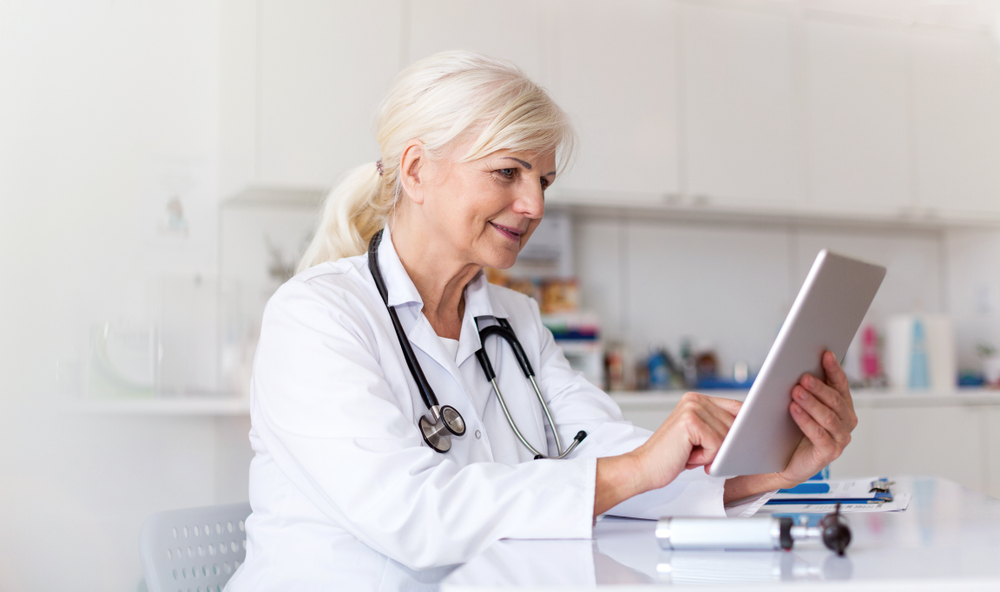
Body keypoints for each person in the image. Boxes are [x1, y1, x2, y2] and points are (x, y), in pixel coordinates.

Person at [226, 51, 857, 591]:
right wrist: (635, 468)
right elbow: (414, 515)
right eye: (507, 172)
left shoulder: (515, 321)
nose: (534, 205)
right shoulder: (316, 318)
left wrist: (771, 467)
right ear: (417, 170)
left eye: (544, 180)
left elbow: (603, 454)